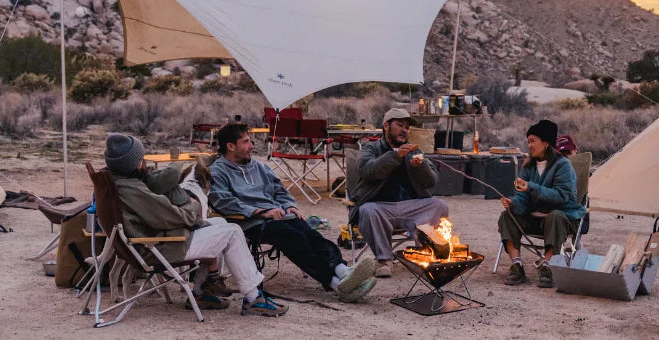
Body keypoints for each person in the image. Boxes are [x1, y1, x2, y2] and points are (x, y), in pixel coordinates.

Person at [103, 133, 285, 317]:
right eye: (141, 158)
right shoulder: (133, 190)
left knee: (220, 222)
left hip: (154, 242)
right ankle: (253, 298)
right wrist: (193, 204)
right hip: (161, 248)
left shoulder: (121, 183)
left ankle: (201, 292)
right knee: (233, 231)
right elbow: (179, 217)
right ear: (134, 163)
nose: (144, 161)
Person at [208, 124, 377, 302]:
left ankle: (343, 272)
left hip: (279, 216)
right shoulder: (218, 171)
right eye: (246, 142)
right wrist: (261, 211)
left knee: (311, 234)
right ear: (231, 146)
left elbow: (279, 190)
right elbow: (223, 201)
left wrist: (289, 205)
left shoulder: (258, 167)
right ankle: (336, 283)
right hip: (250, 223)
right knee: (295, 239)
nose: (251, 146)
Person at [352, 107, 450, 278]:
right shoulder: (371, 149)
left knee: (439, 205)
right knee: (367, 211)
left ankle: (424, 252)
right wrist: (395, 156)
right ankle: (384, 260)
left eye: (407, 127)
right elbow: (368, 172)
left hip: (411, 208)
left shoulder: (415, 151)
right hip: (381, 207)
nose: (404, 130)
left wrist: (421, 166)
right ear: (386, 126)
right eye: (400, 125)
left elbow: (431, 182)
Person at [497, 119, 585, 288]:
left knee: (555, 216)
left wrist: (531, 187)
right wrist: (513, 202)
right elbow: (522, 199)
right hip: (535, 218)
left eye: (533, 141)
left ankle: (547, 265)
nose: (529, 145)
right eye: (528, 141)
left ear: (545, 143)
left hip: (562, 219)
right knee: (506, 215)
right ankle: (516, 265)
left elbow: (561, 196)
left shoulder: (562, 165)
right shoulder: (528, 167)